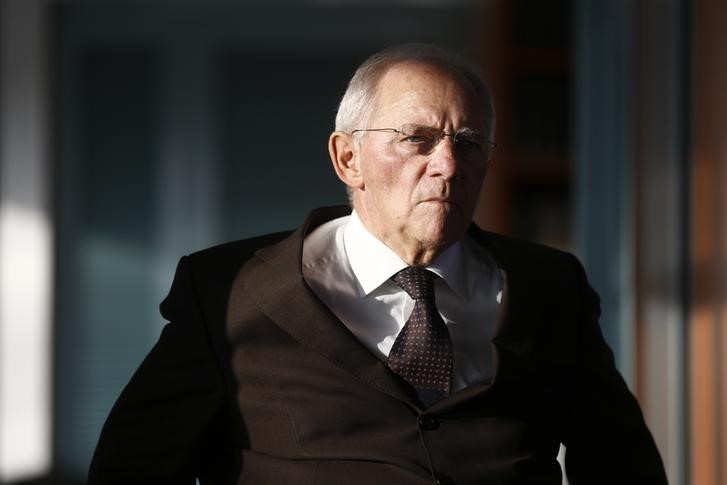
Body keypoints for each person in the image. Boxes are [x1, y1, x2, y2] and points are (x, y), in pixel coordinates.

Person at [88, 43, 667, 484]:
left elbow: (623, 466)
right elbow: (131, 468)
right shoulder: (230, 290)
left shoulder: (548, 287)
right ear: (348, 159)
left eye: (468, 143)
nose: (447, 165)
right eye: (417, 139)